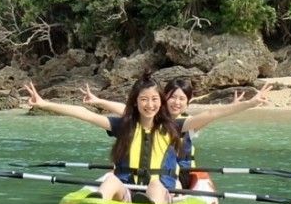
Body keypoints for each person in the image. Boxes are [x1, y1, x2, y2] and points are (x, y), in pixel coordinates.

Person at [24, 75, 184, 204]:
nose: (149, 104)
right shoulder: (123, 126)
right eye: (144, 99)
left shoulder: (172, 126)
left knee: (155, 185)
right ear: (135, 102)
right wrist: (44, 104)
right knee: (111, 179)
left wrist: (211, 112)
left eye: (154, 99)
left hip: (160, 196)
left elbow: (204, 118)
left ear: (161, 101)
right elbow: (85, 114)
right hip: (128, 191)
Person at [81, 78, 272, 187]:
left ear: (188, 102)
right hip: (143, 173)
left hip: (178, 175)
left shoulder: (187, 123)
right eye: (172, 97)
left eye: (182, 99)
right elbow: (124, 109)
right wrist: (98, 101)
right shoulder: (150, 116)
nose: (176, 102)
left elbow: (212, 114)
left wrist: (244, 105)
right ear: (164, 99)